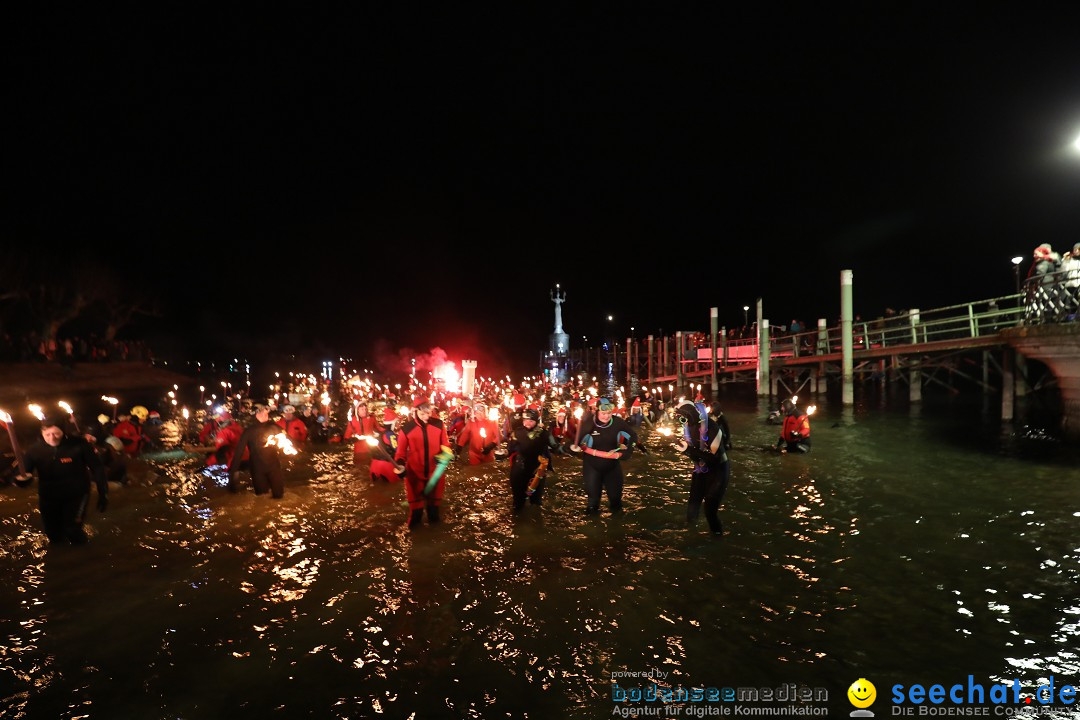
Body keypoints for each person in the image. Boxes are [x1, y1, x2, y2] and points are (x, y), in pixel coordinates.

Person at [19, 415, 107, 544]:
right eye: (47, 434)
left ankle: (85, 558)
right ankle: (60, 560)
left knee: (72, 530)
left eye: (56, 433)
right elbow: (24, 473)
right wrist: (22, 481)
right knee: (53, 533)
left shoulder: (79, 444)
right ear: (42, 433)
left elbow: (97, 468)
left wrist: (103, 492)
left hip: (77, 494)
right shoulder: (34, 450)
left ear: (63, 432)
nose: (52, 437)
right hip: (48, 495)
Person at [570, 397, 637, 515]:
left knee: (616, 502)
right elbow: (575, 442)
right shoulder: (587, 424)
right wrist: (571, 448)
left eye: (609, 413)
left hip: (612, 467)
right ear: (597, 412)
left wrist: (628, 451)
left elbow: (633, 436)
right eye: (603, 413)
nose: (606, 416)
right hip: (592, 467)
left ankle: (617, 529)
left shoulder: (618, 422)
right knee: (593, 503)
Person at [674, 401, 730, 536]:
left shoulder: (712, 427)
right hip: (700, 470)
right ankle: (689, 535)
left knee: (710, 510)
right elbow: (694, 453)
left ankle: (717, 538)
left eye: (683, 417)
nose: (681, 421)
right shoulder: (688, 427)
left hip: (718, 471)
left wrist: (689, 450)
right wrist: (685, 450)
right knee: (693, 505)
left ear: (690, 415)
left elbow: (714, 459)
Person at [394, 400, 451, 528]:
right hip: (415, 476)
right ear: (415, 411)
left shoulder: (439, 425)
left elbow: (446, 445)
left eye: (428, 413)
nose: (426, 417)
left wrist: (443, 455)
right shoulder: (406, 429)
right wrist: (400, 465)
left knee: (434, 514)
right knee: (416, 515)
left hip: (435, 474)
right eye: (422, 414)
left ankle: (435, 543)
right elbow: (400, 453)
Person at [505, 407, 563, 513]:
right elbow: (510, 449)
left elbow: (556, 447)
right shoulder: (516, 433)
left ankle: (536, 521)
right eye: (525, 420)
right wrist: (502, 453)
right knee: (518, 502)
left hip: (537, 469)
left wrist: (568, 448)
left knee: (536, 502)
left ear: (536, 421)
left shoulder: (544, 434)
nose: (527, 423)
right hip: (519, 468)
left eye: (531, 421)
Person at [228, 405, 286, 498]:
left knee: (279, 496)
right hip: (257, 469)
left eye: (266, 413)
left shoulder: (275, 428)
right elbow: (239, 453)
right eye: (261, 412)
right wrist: (232, 476)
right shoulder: (249, 431)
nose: (264, 414)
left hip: (274, 467)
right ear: (256, 415)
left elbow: (288, 442)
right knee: (262, 499)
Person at [343, 400, 379, 466]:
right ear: (358, 410)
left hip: (371, 450)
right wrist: (351, 439)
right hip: (359, 451)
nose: (364, 411)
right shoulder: (353, 420)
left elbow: (379, 429)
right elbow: (346, 437)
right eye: (362, 409)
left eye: (365, 409)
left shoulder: (371, 418)